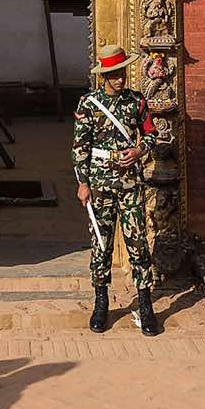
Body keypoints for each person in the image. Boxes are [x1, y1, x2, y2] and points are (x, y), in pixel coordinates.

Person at [72, 44, 160, 336]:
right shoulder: (89, 104)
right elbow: (80, 147)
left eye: (122, 73)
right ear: (104, 77)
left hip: (130, 184)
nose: (120, 79)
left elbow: (151, 134)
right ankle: (101, 302)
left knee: (138, 243)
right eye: (114, 75)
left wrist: (138, 151)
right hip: (99, 185)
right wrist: (83, 183)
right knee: (101, 244)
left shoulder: (137, 101)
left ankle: (145, 303)